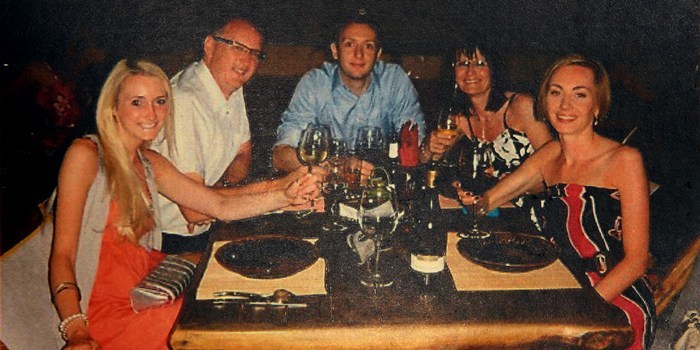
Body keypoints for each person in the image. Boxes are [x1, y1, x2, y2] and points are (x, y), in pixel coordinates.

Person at [43, 59, 318, 349]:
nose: (152, 113)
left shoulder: (149, 162)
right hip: (102, 311)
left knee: (247, 301)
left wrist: (284, 195)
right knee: (228, 327)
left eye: (160, 101)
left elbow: (218, 204)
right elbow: (61, 256)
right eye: (138, 102)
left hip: (147, 289)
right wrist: (75, 330)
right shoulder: (85, 154)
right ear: (112, 106)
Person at [463, 55, 655, 349]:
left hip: (612, 300)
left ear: (597, 105)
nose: (565, 106)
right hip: (560, 283)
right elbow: (490, 199)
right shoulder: (550, 153)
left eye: (580, 94)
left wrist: (578, 308)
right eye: (556, 93)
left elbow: (637, 261)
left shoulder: (624, 160)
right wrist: (473, 202)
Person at [151, 18, 272, 254]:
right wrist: (215, 200)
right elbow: (194, 212)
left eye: (255, 54)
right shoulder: (186, 99)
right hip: (166, 242)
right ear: (209, 45)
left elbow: (242, 155)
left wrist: (218, 190)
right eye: (238, 48)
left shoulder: (229, 87)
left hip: (209, 225)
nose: (247, 61)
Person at [271, 13, 426, 175]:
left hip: (380, 183)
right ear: (335, 51)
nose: (359, 54)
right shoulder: (315, 83)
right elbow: (280, 155)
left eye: (368, 46)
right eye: (349, 44)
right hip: (328, 183)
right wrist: (333, 168)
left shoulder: (395, 81)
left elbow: (416, 145)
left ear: (378, 54)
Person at [426, 42, 551, 178]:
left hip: (531, 196)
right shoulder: (456, 119)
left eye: (480, 63)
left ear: (493, 69)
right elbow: (431, 165)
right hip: (483, 198)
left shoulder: (521, 106)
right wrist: (428, 148)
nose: (470, 72)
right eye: (462, 64)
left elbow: (553, 164)